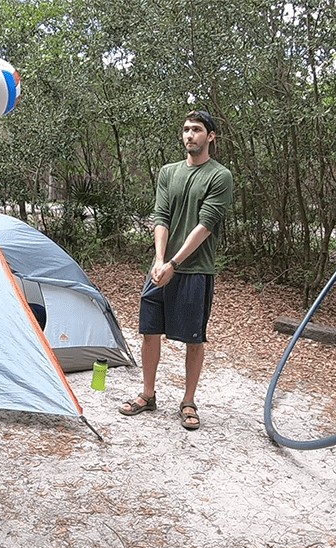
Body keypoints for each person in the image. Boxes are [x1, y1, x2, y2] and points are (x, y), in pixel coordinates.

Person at [118, 110, 233, 431]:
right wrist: (158, 260)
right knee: (149, 331)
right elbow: (161, 216)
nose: (189, 135)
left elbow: (206, 224)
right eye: (185, 130)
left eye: (196, 130)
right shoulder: (169, 172)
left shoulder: (219, 176)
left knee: (193, 339)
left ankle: (188, 401)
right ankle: (148, 394)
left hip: (195, 269)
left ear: (210, 136)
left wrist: (174, 263)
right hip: (161, 269)